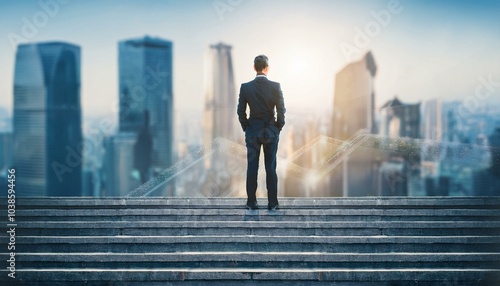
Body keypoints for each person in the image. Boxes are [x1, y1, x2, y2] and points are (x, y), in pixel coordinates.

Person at [237, 54, 286, 210]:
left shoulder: (245, 87)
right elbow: (281, 110)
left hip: (253, 132)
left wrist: (247, 127)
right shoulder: (275, 86)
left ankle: (251, 202)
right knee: (270, 167)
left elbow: (240, 112)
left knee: (252, 167)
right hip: (271, 132)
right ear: (267, 68)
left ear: (254, 68)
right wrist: (278, 127)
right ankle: (272, 203)